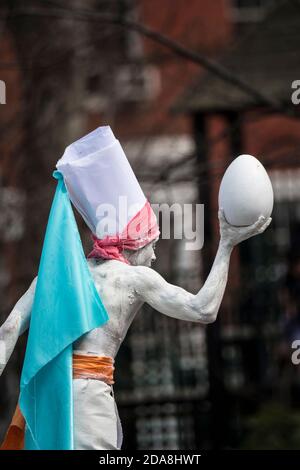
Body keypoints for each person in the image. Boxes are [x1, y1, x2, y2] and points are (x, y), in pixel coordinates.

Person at [0, 127, 272, 450]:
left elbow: (9, 329)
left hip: (48, 405)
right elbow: (205, 309)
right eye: (151, 243)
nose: (154, 254)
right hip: (89, 405)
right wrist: (227, 244)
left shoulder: (57, 275)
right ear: (133, 241)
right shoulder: (132, 278)